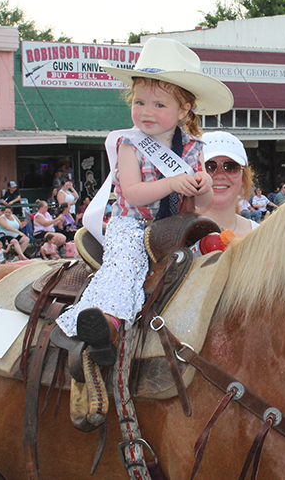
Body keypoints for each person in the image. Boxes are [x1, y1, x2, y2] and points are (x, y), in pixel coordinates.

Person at [61, 38, 232, 362]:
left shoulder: (194, 147)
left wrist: (204, 182)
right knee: (125, 264)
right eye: (139, 103)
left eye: (159, 105)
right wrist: (173, 182)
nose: (146, 112)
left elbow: (205, 199)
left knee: (214, 261)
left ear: (184, 110)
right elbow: (132, 193)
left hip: (179, 227)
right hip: (132, 224)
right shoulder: (130, 143)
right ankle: (107, 321)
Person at [196, 131, 259, 238]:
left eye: (231, 167)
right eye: (209, 166)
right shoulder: (169, 234)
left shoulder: (261, 236)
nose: (220, 175)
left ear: (243, 178)